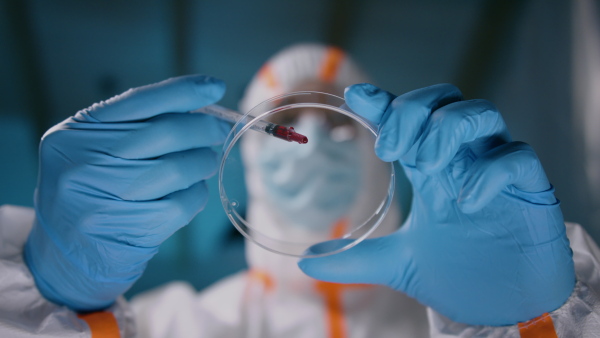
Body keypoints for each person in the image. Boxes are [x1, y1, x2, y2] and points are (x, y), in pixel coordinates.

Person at [0, 44, 599, 337]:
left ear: (377, 146)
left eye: (341, 119)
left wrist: (529, 326)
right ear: (251, 148)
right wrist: (62, 301)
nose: (310, 131)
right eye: (286, 116)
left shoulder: (459, 313)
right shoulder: (176, 324)